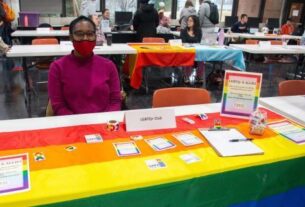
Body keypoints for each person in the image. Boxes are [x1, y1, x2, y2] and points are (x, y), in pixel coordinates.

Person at [48, 16, 121, 116]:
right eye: (79, 34)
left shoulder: (109, 66)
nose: (85, 38)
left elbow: (115, 101)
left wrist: (105, 122)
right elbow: (58, 105)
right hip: (72, 124)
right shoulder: (57, 68)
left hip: (103, 124)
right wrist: (79, 124)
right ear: (71, 37)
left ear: (95, 36)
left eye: (90, 34)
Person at [181, 15, 204, 83]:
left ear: (195, 22)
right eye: (188, 20)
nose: (188, 22)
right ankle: (186, 75)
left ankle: (199, 76)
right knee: (189, 57)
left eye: (190, 21)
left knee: (201, 59)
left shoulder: (198, 31)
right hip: (186, 51)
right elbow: (183, 42)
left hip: (196, 51)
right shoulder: (184, 31)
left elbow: (199, 42)